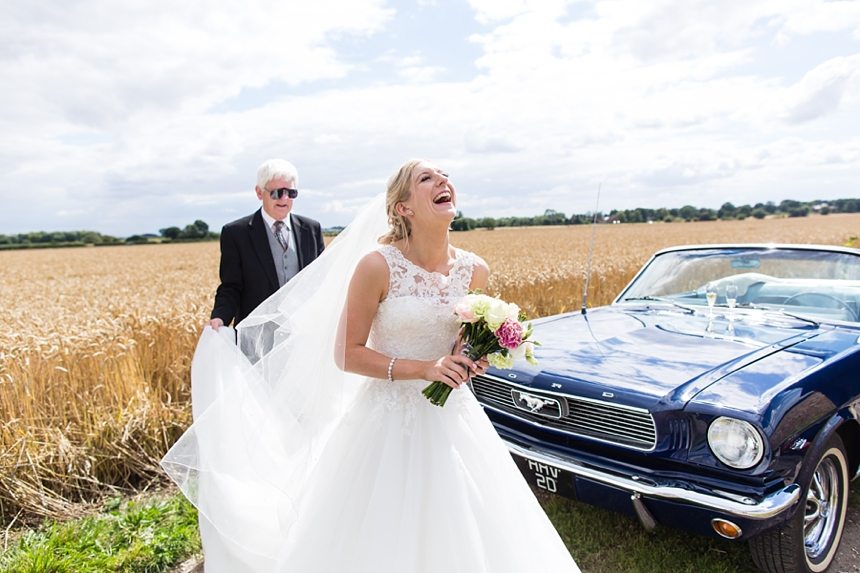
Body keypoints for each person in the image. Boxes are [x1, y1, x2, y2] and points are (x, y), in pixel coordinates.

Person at [162, 160, 581, 572]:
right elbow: (347, 353)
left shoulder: (475, 270)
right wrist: (424, 369)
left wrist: (471, 359)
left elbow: (460, 343)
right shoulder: (377, 266)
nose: (443, 181)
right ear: (404, 208)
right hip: (386, 420)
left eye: (445, 176)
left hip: (454, 417)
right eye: (427, 178)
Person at [209, 158, 325, 330]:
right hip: (255, 337)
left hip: (302, 334)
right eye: (277, 193)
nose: (284, 199)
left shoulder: (311, 229)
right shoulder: (235, 233)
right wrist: (220, 316)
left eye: (291, 193)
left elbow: (321, 279)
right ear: (259, 192)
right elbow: (231, 286)